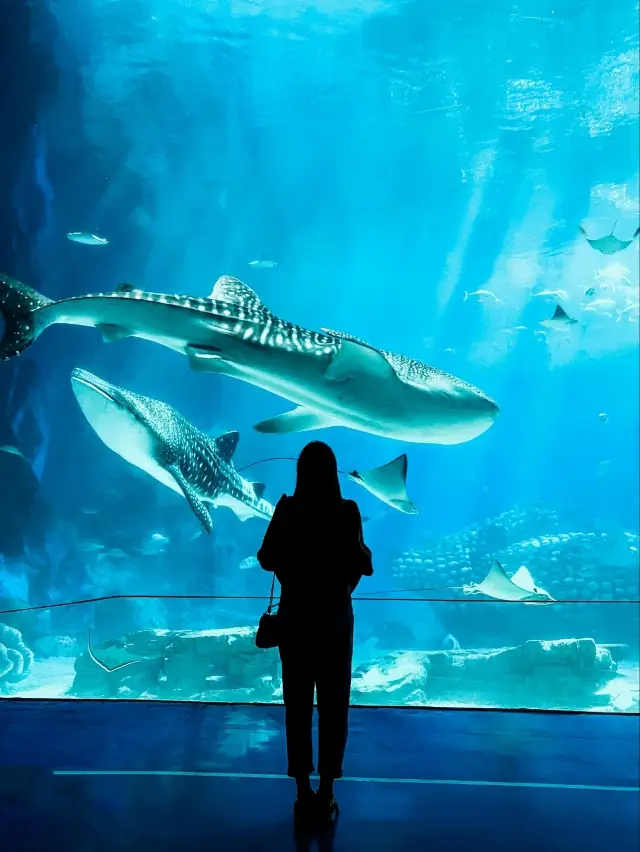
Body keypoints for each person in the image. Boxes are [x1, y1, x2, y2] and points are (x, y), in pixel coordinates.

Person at [257, 441, 373, 823]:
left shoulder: (288, 508)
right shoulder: (347, 510)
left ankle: (302, 792)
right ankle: (326, 792)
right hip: (336, 622)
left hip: (295, 621)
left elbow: (265, 558)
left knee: (298, 707)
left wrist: (293, 570)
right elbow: (362, 563)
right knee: (334, 707)